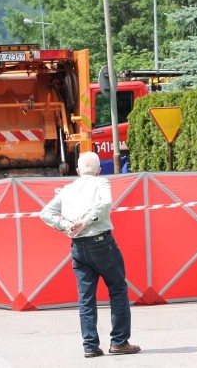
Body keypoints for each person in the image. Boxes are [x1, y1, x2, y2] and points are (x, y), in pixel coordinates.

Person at [40, 151, 141, 358]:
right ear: (98, 170)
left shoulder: (67, 189)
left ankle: (90, 346)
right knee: (118, 289)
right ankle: (119, 342)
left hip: (78, 247)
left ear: (77, 171)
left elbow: (45, 213)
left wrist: (67, 225)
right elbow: (105, 203)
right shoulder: (101, 183)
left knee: (86, 298)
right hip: (101, 242)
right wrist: (86, 221)